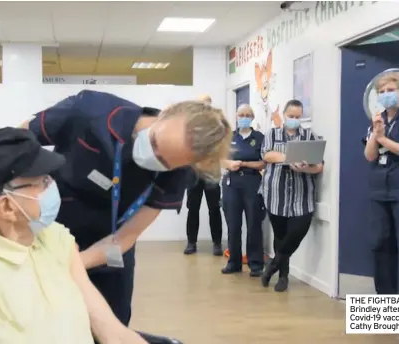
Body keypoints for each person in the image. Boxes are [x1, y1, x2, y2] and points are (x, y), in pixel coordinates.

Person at [20, 90, 232, 325]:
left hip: (110, 248)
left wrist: (73, 264)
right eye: (154, 142)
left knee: (110, 323)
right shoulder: (90, 110)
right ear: (165, 113)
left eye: (164, 162)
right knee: (45, 322)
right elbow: (19, 141)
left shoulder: (180, 173)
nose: (152, 155)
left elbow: (126, 236)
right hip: (48, 234)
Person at [0, 127, 146, 344]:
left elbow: (110, 331)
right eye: (42, 182)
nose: (52, 186)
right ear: (6, 207)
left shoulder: (53, 237)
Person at [259, 100, 323, 292]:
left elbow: (318, 166)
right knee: (280, 236)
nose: (294, 120)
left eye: (297, 116)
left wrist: (305, 168)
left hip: (301, 196)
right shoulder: (272, 134)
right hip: (276, 194)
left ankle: (273, 264)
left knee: (296, 233)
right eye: (291, 116)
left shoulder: (309, 136)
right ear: (285, 115)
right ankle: (283, 277)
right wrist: (290, 158)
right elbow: (267, 155)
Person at [363, 71, 399, 294]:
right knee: (380, 242)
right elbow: (370, 155)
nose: (386, 95)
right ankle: (384, 295)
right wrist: (375, 135)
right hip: (380, 191)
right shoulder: (378, 120)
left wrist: (383, 139)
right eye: (382, 92)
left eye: (391, 90)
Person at [220, 104, 266, 276]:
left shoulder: (259, 137)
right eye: (241, 114)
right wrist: (229, 164)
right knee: (233, 224)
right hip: (232, 183)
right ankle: (234, 262)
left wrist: (245, 164)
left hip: (252, 182)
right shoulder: (229, 137)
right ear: (236, 116)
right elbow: (220, 158)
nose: (244, 117)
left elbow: (264, 162)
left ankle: (255, 264)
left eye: (248, 114)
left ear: (252, 117)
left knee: (254, 223)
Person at [184, 94, 223, 256]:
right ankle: (191, 242)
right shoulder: (189, 125)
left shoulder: (219, 124)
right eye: (201, 105)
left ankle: (217, 243)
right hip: (193, 173)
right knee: (193, 208)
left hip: (212, 172)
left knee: (214, 209)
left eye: (207, 104)